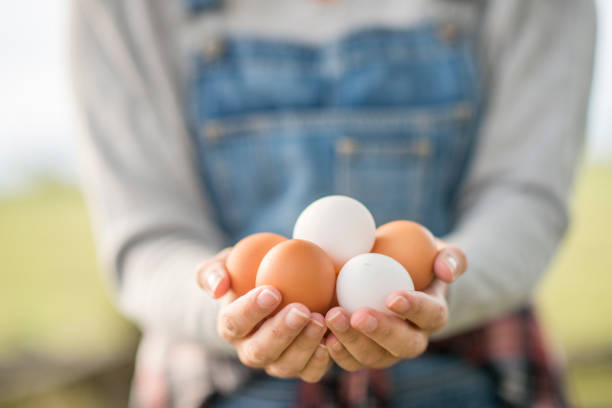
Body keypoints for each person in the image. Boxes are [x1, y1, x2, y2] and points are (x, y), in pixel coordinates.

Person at [71, 0, 595, 406]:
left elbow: (524, 196)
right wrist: (229, 303)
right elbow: (147, 236)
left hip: (471, 370)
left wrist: (442, 284)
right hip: (217, 385)